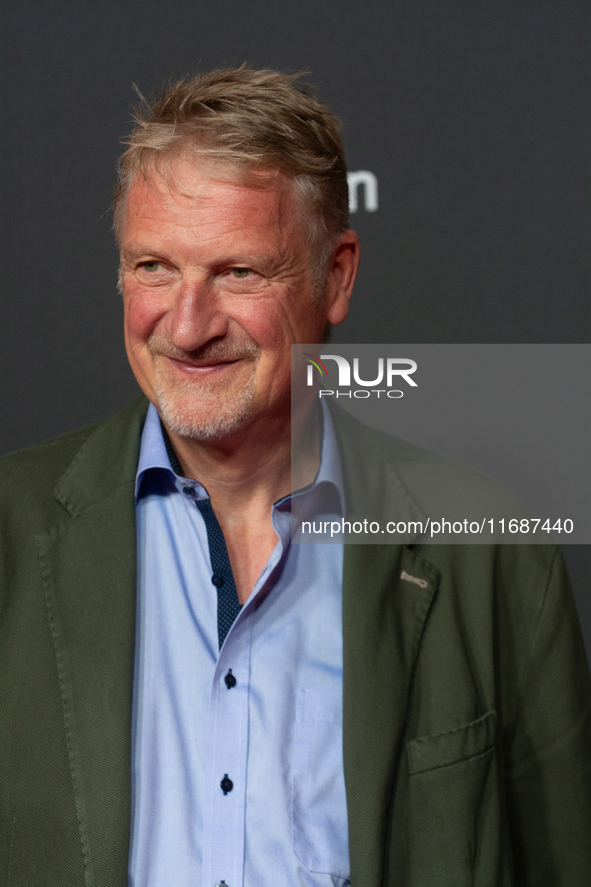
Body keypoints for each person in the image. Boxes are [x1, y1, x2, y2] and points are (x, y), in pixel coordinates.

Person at [1, 66, 590, 887]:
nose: (187, 324)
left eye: (238, 272)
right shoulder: (11, 529)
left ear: (336, 276)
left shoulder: (487, 547)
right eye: (153, 268)